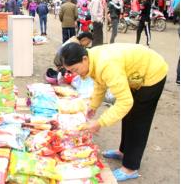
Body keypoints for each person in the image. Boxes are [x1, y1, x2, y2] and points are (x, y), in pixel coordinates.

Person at [59, 42, 168, 182]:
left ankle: (130, 167)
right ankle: (123, 152)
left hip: (152, 73)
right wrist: (93, 106)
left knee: (139, 120)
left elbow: (125, 102)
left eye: (75, 69)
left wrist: (100, 122)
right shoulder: (92, 59)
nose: (75, 74)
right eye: (71, 71)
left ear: (84, 59)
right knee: (128, 115)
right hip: (135, 73)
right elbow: (100, 83)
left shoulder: (106, 64)